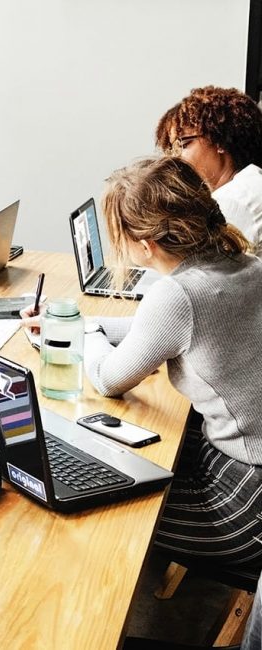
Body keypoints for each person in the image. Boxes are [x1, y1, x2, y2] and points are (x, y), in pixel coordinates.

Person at [74, 156, 262, 568]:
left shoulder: (176, 296)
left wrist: (83, 335)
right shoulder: (247, 265)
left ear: (145, 246)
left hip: (243, 505)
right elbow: (158, 332)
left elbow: (108, 379)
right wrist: (79, 322)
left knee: (89, 505)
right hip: (245, 464)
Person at [156, 85, 262, 254]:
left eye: (183, 144)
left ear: (218, 140)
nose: (175, 158)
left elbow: (203, 276)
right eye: (172, 149)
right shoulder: (250, 182)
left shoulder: (234, 202)